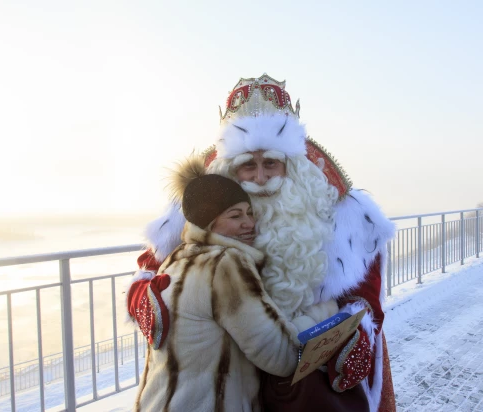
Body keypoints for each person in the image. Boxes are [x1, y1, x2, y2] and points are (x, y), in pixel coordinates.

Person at [132, 74, 397, 411]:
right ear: (231, 168)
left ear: (289, 163)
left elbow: (365, 292)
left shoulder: (336, 207)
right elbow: (153, 268)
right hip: (228, 370)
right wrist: (147, 299)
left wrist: (354, 329)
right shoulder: (205, 206)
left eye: (270, 163)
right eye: (248, 167)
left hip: (306, 377)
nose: (260, 178)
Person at [127, 173, 320, 412]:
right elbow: (281, 357)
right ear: (210, 223)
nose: (249, 223)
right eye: (235, 215)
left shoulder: (174, 260)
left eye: (249, 213)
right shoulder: (225, 263)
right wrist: (316, 320)